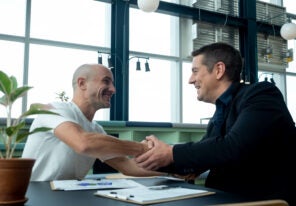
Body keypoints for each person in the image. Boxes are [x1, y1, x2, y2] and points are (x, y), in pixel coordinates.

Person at [135, 42, 296, 205]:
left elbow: (234, 146)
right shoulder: (221, 112)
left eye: (195, 71)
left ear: (219, 70)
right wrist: (156, 157)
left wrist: (171, 152)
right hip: (227, 199)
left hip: (262, 202)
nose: (191, 80)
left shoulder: (261, 94)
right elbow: (201, 160)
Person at [22, 64, 162, 181]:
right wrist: (141, 148)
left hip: (65, 196)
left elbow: (128, 166)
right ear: (82, 83)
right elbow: (83, 143)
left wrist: (172, 171)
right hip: (34, 195)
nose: (113, 89)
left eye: (112, 83)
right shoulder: (55, 110)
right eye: (106, 81)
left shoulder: (96, 130)